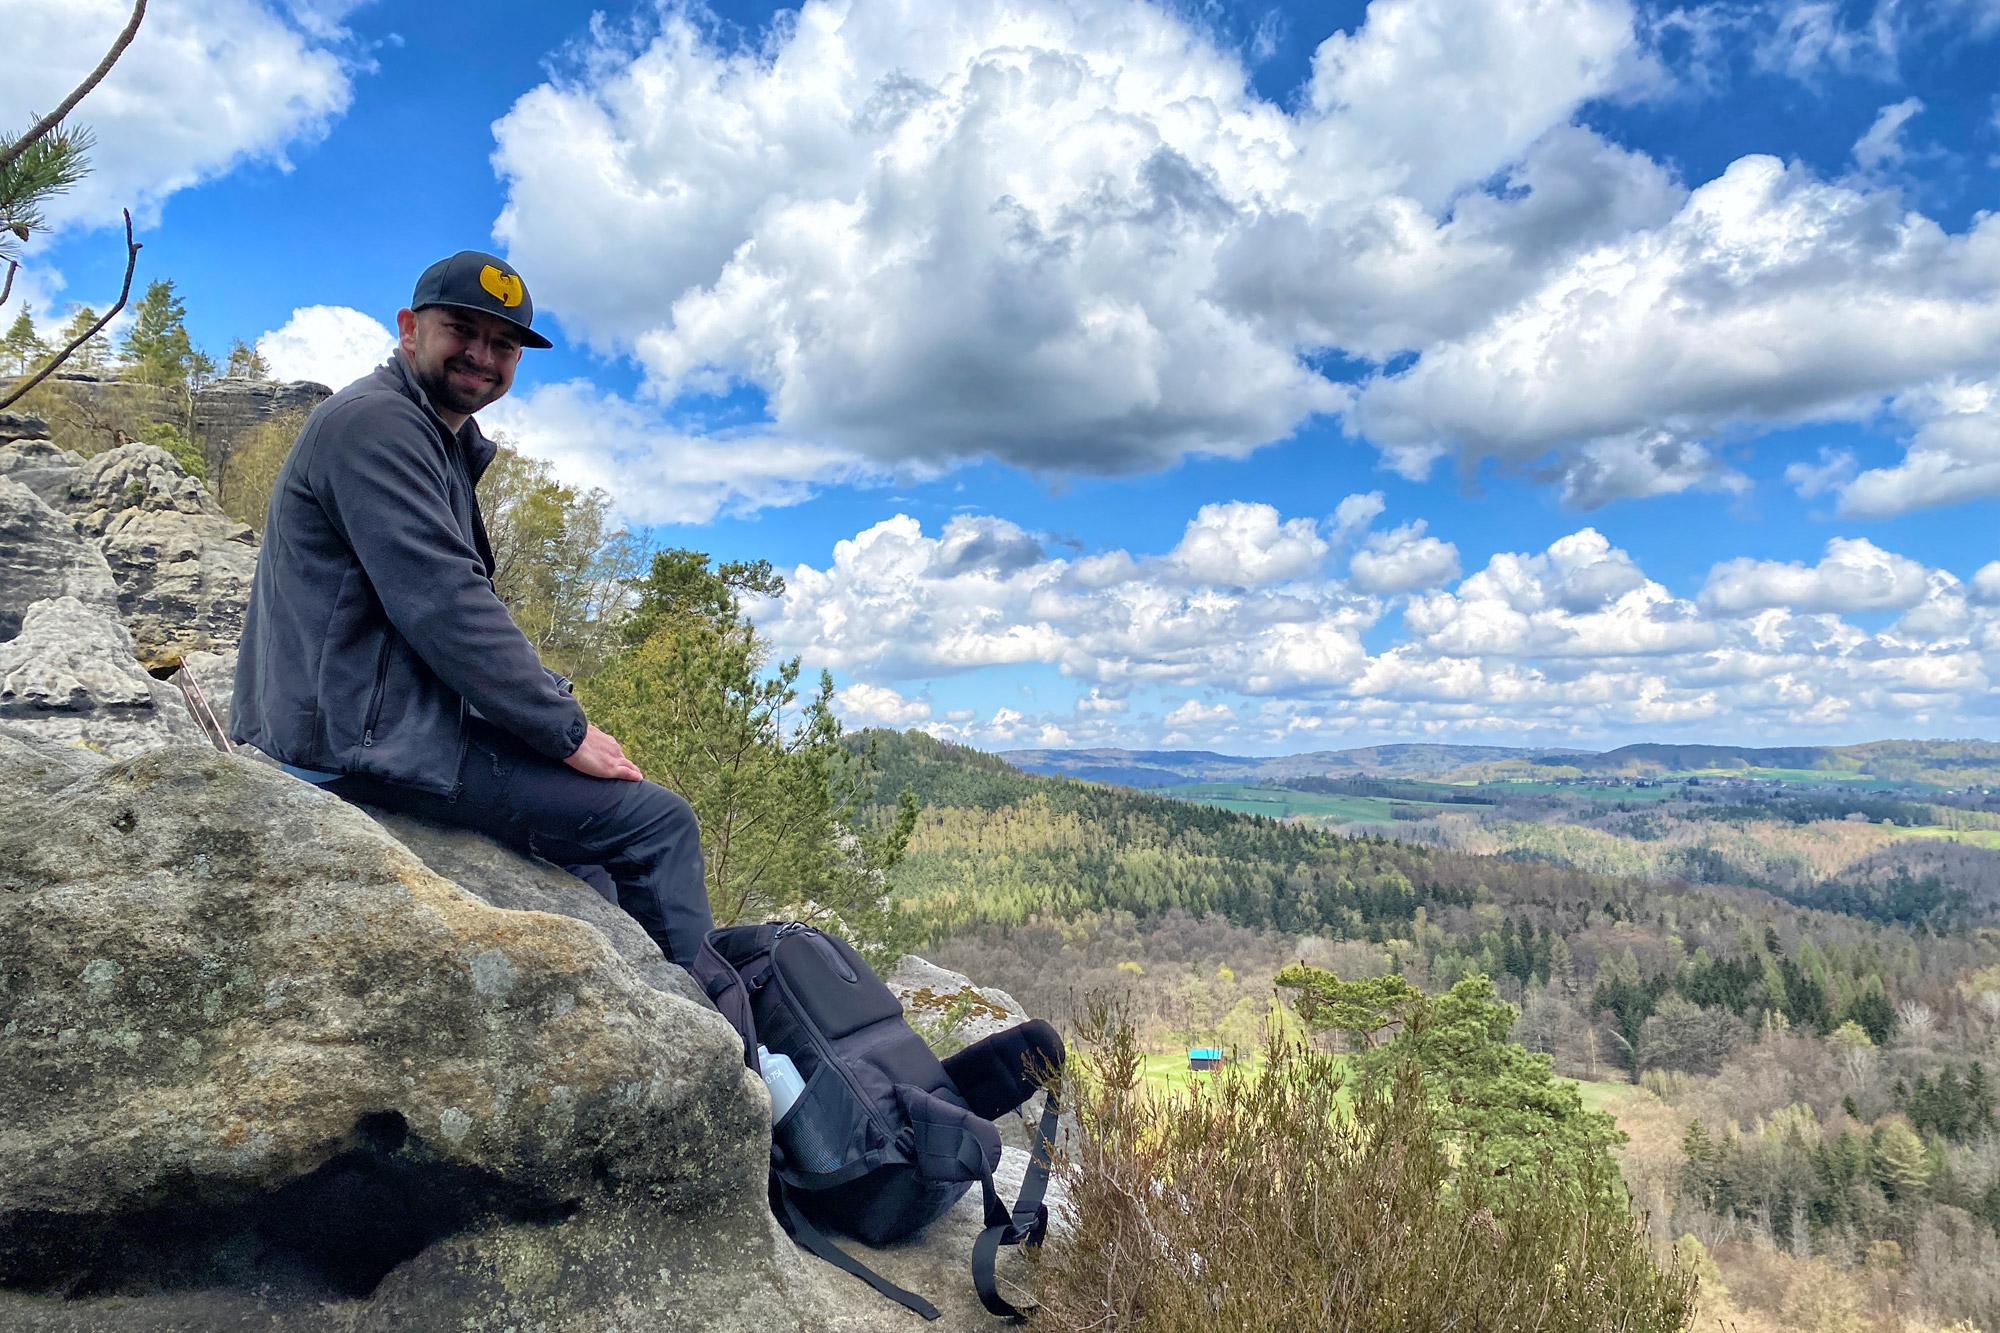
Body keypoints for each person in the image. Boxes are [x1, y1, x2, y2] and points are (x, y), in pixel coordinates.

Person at [231, 250, 713, 965]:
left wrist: (548, 707)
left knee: (586, 856)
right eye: (462, 329)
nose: (483, 357)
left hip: (371, 720)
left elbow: (449, 600)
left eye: (505, 345)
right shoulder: (375, 426)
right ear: (409, 328)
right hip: (350, 743)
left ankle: (652, 996)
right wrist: (563, 729)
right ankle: (727, 1047)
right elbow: (444, 601)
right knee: (657, 824)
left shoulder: (434, 437)